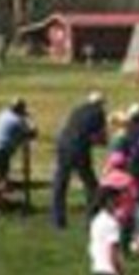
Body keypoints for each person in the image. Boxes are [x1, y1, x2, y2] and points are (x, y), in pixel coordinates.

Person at [52, 92, 108, 230]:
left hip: (63, 145)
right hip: (79, 148)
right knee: (91, 185)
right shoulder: (99, 112)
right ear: (100, 103)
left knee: (61, 184)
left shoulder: (77, 109)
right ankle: (91, 218)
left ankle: (58, 220)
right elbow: (100, 137)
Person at [0, 98, 36, 215]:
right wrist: (29, 118)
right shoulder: (17, 120)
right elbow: (33, 133)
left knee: (0, 181)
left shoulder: (3, 114)